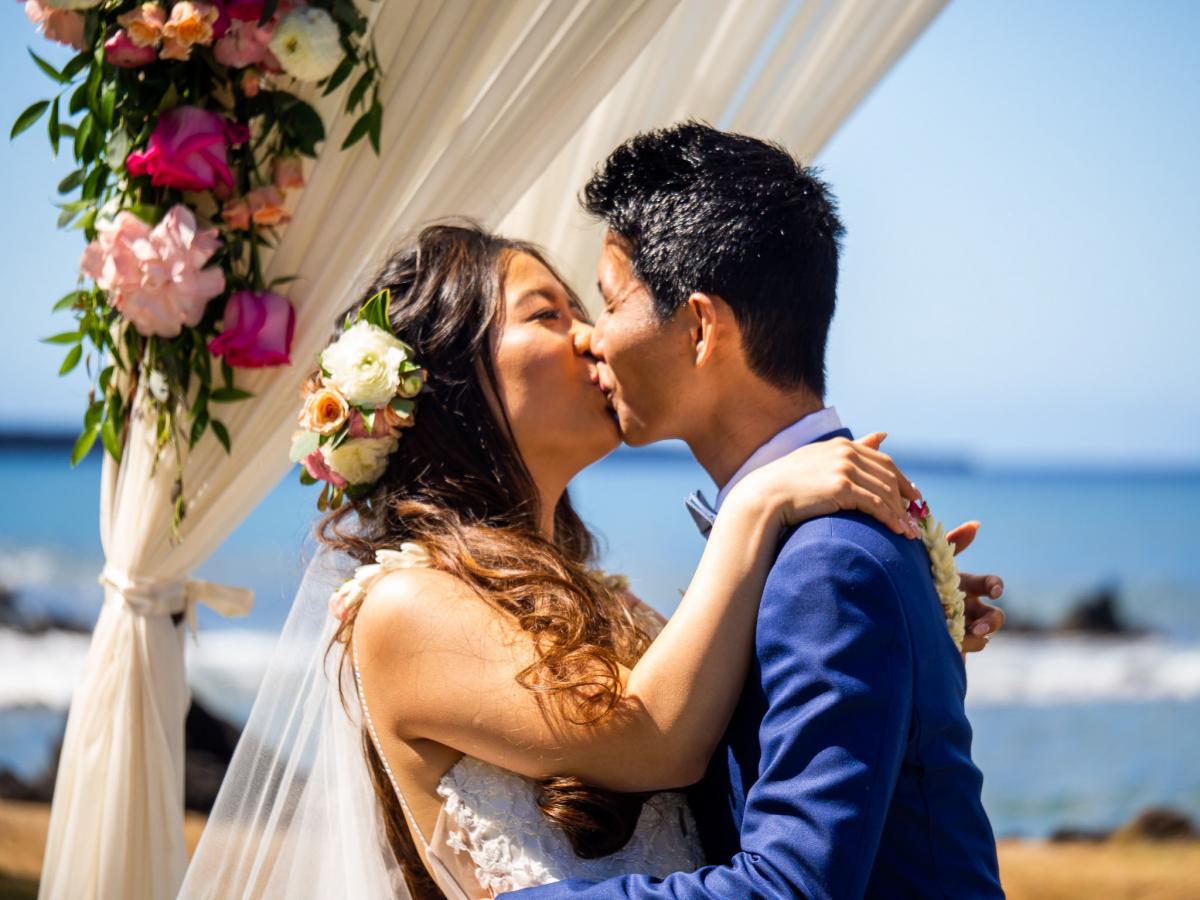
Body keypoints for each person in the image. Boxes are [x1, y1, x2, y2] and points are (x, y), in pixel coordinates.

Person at [180, 218, 1002, 900]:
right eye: (547, 314)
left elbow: (747, 739)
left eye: (588, 309)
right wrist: (757, 505)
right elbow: (654, 736)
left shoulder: (610, 602)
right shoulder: (403, 606)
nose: (595, 337)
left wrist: (898, 613)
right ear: (454, 380)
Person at [504, 122, 1005, 899]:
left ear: (701, 328)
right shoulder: (815, 537)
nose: (594, 340)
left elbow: (787, 887)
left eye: (608, 301)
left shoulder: (828, 559)